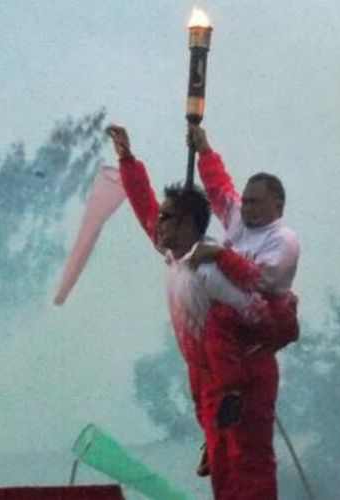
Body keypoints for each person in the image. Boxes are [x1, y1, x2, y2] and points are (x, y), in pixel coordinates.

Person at [106, 124, 271, 498]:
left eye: (166, 218)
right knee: (222, 469)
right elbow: (144, 204)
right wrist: (127, 160)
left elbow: (258, 312)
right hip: (201, 374)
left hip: (232, 379)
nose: (156, 223)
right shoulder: (173, 254)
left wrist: (245, 377)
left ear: (187, 224)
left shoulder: (211, 267)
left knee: (240, 470)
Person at [187, 124, 301, 500]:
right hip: (223, 359)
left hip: (254, 349)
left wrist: (220, 254)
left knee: (250, 457)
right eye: (247, 201)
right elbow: (220, 189)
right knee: (222, 457)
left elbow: (256, 281)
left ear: (277, 205)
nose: (246, 207)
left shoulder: (283, 242)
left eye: (256, 202)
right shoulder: (238, 219)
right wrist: (204, 149)